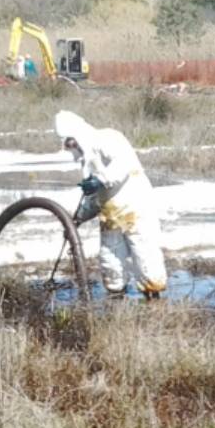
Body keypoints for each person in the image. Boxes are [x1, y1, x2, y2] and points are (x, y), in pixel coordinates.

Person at [55, 110, 167, 299]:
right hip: (111, 214)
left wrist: (100, 179)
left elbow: (123, 164)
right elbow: (95, 197)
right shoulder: (88, 161)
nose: (71, 146)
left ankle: (152, 296)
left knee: (144, 251)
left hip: (135, 207)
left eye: (71, 141)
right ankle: (116, 296)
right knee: (110, 257)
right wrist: (77, 219)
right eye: (68, 143)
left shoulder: (107, 138)